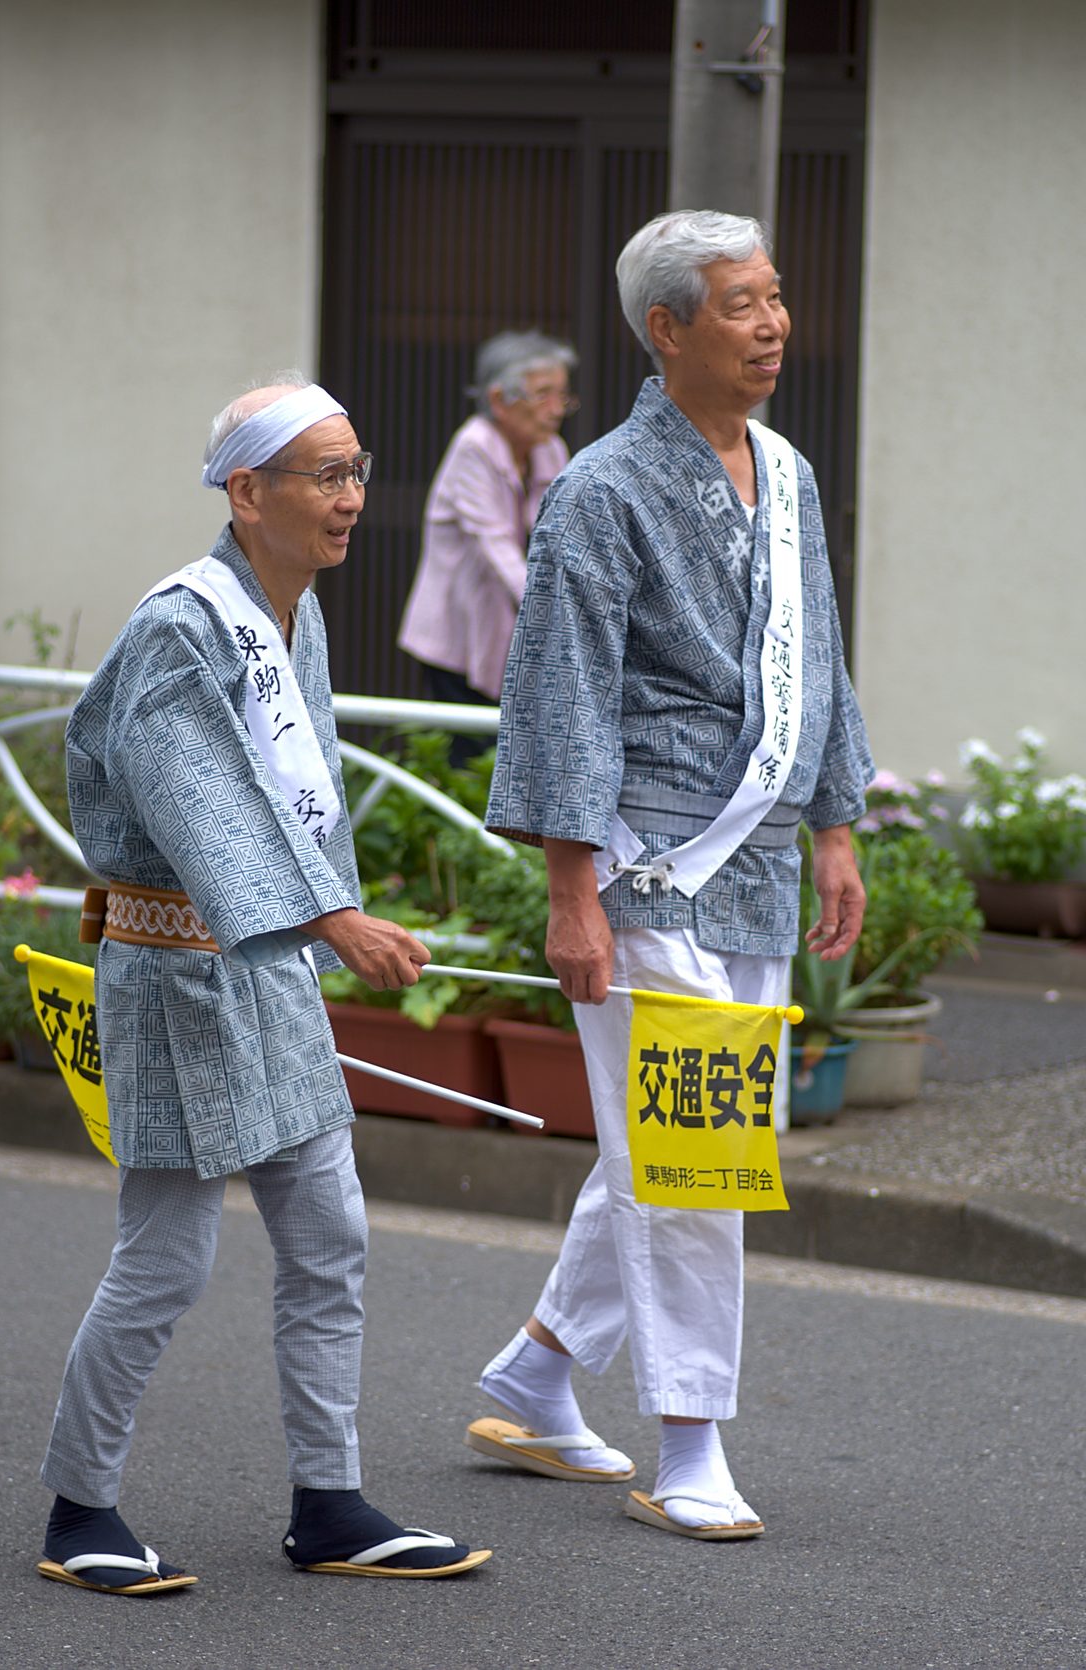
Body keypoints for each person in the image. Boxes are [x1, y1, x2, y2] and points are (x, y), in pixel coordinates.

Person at [35, 376, 492, 1593]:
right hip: (179, 975)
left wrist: (327, 919)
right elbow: (198, 799)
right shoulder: (182, 623)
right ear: (247, 493)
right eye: (324, 475)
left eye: (357, 469)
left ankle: (329, 1499)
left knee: (329, 1234)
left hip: (268, 966)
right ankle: (80, 1508)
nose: (351, 498)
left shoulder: (289, 612)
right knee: (168, 1256)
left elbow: (291, 807)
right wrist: (339, 919)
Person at [467, 211, 874, 1540]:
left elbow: (819, 657)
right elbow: (563, 694)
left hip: (754, 863)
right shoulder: (600, 490)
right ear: (668, 330)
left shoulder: (793, 475)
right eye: (742, 304)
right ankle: (691, 1435)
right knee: (694, 1152)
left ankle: (534, 1376)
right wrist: (570, 891)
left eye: (776, 298)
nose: (772, 325)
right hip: (646, 864)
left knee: (682, 1136)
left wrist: (836, 823)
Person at [396, 330, 577, 749]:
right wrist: (551, 609)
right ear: (500, 400)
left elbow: (556, 534)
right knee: (468, 756)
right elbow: (497, 546)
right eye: (543, 395)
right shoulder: (473, 447)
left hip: (506, 631)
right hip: (457, 632)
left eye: (562, 395)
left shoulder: (550, 449)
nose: (556, 410)